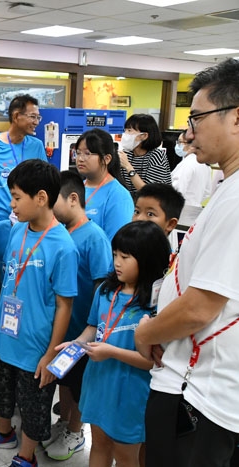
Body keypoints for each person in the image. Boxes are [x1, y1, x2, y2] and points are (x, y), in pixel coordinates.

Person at [134, 58, 239, 467]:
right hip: (191, 376)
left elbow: (201, 306)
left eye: (197, 117)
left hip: (200, 390)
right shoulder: (227, 188)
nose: (188, 132)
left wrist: (147, 332)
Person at [0, 160, 78, 467]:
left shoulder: (63, 247)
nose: (11, 204)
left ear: (41, 198)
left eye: (16, 197)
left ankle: (26, 456)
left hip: (36, 344)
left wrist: (51, 355)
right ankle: (3, 432)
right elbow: (7, 283)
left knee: (34, 403)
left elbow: (64, 305)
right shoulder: (15, 232)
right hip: (6, 335)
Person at [62, 221, 167, 467]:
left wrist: (111, 352)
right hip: (99, 383)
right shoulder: (106, 291)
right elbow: (92, 327)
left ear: (148, 259)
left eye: (126, 257)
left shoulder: (156, 305)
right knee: (99, 445)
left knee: (126, 455)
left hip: (130, 392)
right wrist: (76, 344)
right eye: (115, 255)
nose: (117, 262)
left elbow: (152, 362)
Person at [45, 170, 112, 461]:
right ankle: (64, 422)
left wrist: (92, 327)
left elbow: (101, 285)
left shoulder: (94, 237)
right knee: (65, 382)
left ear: (73, 199)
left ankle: (75, 430)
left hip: (84, 328)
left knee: (80, 386)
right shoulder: (61, 232)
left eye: (52, 201)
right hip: (64, 326)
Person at [0, 94, 47, 226]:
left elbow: (44, 183)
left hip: (25, 223)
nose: (37, 122)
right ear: (16, 116)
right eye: (33, 117)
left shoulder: (37, 146)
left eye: (38, 117)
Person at [75, 128, 134, 241]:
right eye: (78, 153)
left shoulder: (118, 195)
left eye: (87, 153)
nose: (80, 159)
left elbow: (116, 243)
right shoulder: (77, 188)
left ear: (106, 159)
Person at [118, 114, 171, 194]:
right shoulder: (126, 154)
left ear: (144, 136)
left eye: (129, 131)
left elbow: (150, 192)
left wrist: (128, 167)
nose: (125, 134)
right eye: (124, 130)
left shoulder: (156, 156)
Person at [171, 132, 213, 208]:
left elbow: (177, 190)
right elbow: (207, 192)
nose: (178, 145)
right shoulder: (205, 164)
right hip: (195, 207)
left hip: (183, 209)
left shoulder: (187, 164)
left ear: (192, 145)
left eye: (180, 142)